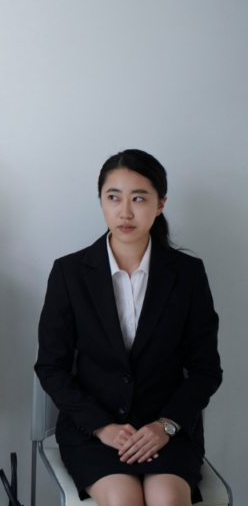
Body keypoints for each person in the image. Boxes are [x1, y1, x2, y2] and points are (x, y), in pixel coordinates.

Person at [35, 149, 222, 506]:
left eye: (138, 198)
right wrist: (102, 427)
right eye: (113, 197)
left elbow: (205, 369)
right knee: (124, 500)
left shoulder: (187, 274)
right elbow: (51, 367)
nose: (125, 212)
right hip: (94, 431)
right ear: (101, 201)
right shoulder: (70, 273)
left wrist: (166, 425)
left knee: (167, 500)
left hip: (165, 430)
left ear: (160, 203)